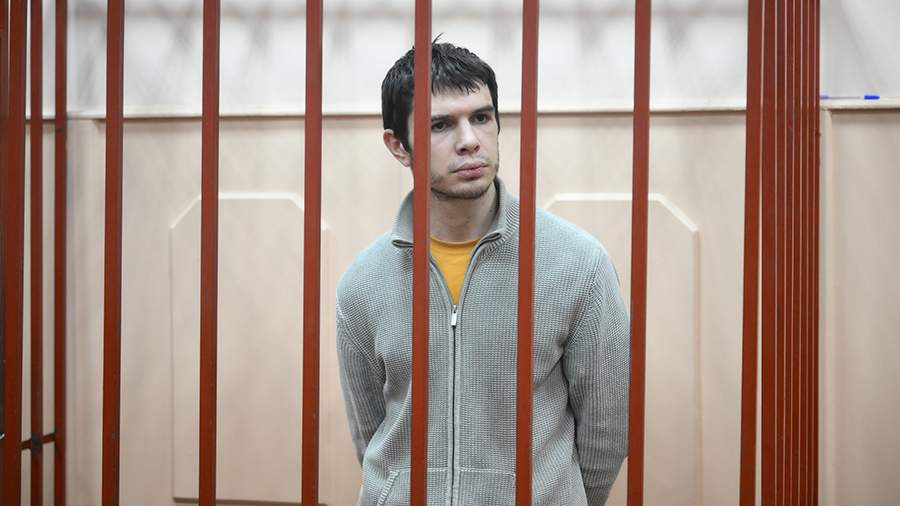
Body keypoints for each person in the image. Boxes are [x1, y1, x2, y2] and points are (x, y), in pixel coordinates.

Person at [336, 41, 630, 506]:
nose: (469, 139)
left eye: (481, 117)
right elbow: (372, 433)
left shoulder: (578, 264)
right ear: (398, 146)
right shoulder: (363, 283)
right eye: (440, 125)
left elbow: (606, 432)